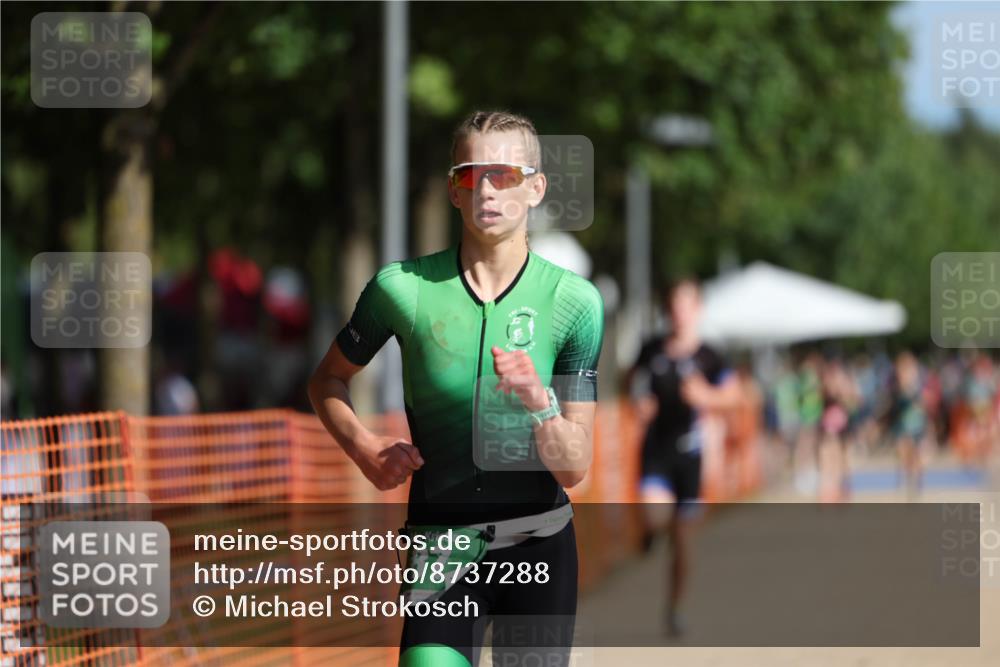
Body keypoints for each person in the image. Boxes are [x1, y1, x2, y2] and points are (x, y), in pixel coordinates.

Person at [308, 110, 604, 667]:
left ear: (536, 188)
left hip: (539, 545)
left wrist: (540, 403)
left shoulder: (574, 303)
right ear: (453, 190)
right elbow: (328, 379)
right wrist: (365, 448)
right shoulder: (401, 289)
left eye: (505, 175)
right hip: (441, 547)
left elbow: (575, 466)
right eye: (470, 175)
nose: (486, 190)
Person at [625, 278, 740, 637]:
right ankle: (650, 532)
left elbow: (735, 396)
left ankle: (675, 608)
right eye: (675, 306)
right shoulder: (651, 348)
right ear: (667, 311)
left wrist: (707, 397)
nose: (680, 314)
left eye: (687, 306)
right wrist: (638, 403)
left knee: (684, 542)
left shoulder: (711, 356)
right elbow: (628, 380)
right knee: (656, 516)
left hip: (690, 455)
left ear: (698, 311)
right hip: (656, 450)